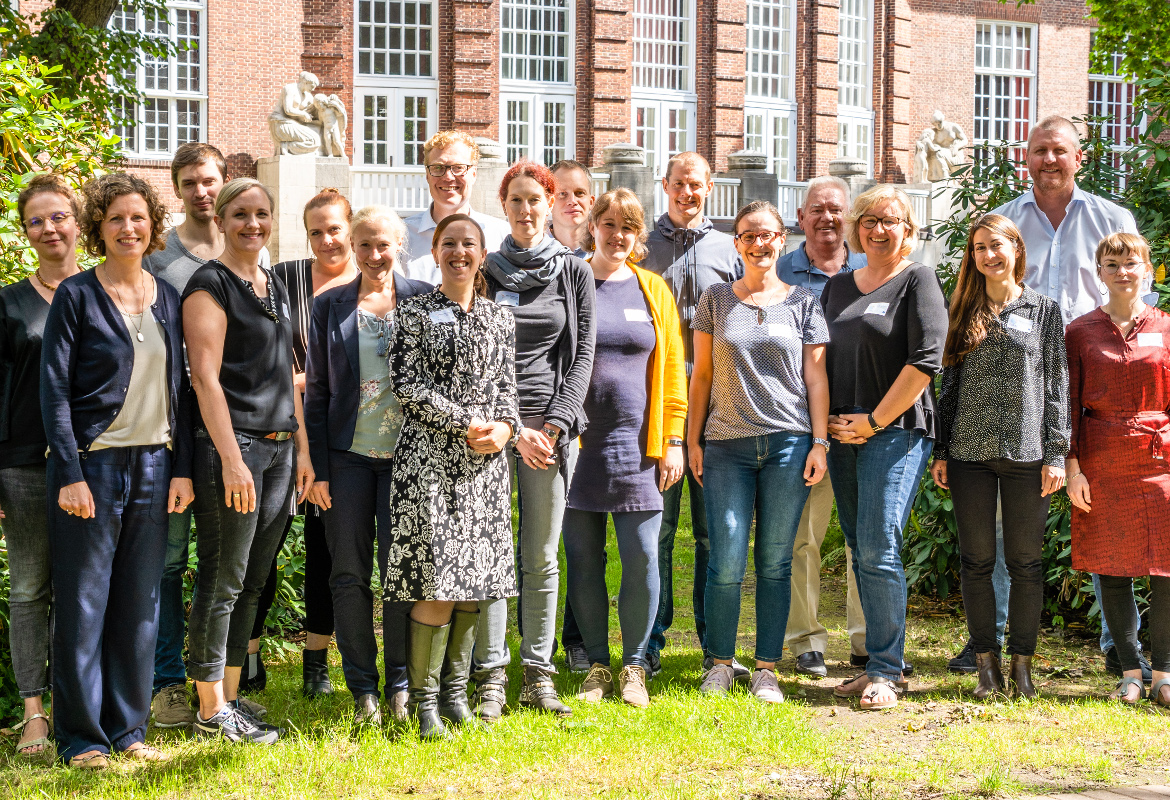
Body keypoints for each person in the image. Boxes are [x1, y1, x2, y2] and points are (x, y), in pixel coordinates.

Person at [972, 114, 1145, 680]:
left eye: (1060, 151)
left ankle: (1117, 643)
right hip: (1024, 380)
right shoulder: (1008, 220)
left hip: (1096, 376)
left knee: (1103, 506)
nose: (1049, 160)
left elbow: (1139, 293)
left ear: (1079, 156)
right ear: (1026, 156)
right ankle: (992, 636)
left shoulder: (1111, 219)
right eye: (1039, 150)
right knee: (1002, 519)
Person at [41, 173, 193, 767]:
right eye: (115, 220)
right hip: (92, 470)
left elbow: (179, 390)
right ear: (99, 230)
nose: (128, 228)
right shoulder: (76, 296)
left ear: (152, 224)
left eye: (138, 218)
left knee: (140, 602)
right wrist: (71, 473)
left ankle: (128, 731)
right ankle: (81, 737)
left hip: (154, 464)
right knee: (83, 604)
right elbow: (53, 393)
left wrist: (180, 470)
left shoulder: (170, 298)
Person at [182, 178, 314, 743]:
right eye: (240, 214)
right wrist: (232, 460)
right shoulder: (208, 285)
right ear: (221, 218)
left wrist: (303, 448)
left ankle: (231, 698)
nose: (252, 224)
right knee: (223, 578)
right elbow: (204, 380)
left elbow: (286, 373)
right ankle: (210, 710)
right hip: (236, 450)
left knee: (254, 579)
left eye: (261, 214)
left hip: (281, 451)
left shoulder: (272, 282)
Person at [385, 213, 520, 739]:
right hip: (431, 466)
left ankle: (455, 695)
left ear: (482, 255)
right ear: (435, 252)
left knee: (476, 585)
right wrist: (466, 422)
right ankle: (422, 706)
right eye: (449, 243)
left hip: (485, 467)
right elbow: (407, 384)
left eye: (469, 244)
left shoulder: (499, 317)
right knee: (438, 580)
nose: (459, 252)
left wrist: (505, 428)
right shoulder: (415, 311)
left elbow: (507, 386)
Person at [688, 200, 830, 702]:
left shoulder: (804, 303)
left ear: (782, 238)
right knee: (725, 556)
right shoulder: (715, 299)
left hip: (790, 444)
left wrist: (819, 442)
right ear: (737, 242)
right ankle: (721, 663)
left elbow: (815, 378)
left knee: (774, 559)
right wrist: (692, 439)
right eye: (749, 235)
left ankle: (767, 667)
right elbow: (701, 374)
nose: (759, 244)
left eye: (768, 235)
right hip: (726, 443)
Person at [473, 160, 596, 720]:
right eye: (516, 200)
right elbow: (476, 357)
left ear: (551, 206)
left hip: (550, 432)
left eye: (535, 200)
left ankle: (538, 675)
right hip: (494, 432)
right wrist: (510, 427)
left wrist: (554, 425)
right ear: (505, 207)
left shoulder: (573, 270)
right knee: (494, 554)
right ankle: (492, 676)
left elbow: (583, 354)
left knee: (541, 557)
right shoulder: (485, 270)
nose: (526, 210)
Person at [930, 214, 1068, 700]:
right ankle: (986, 664)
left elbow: (1057, 386)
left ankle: (1023, 666)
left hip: (1029, 455)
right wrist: (942, 449)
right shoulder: (962, 310)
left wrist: (1056, 452)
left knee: (1027, 562)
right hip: (969, 453)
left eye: (996, 245)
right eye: (979, 247)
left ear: (1016, 248)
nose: (988, 255)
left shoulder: (1045, 310)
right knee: (977, 561)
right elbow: (947, 387)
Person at [304, 205, 431, 724]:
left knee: (400, 574)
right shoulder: (330, 305)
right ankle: (363, 686)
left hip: (409, 459)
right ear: (351, 248)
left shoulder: (425, 300)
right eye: (364, 245)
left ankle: (400, 682)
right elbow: (316, 390)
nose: (375, 255)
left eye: (384, 244)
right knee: (348, 574)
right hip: (348, 458)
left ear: (400, 243)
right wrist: (317, 467)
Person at [823, 185, 947, 711]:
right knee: (860, 546)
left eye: (890, 221)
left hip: (893, 433)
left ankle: (885, 669)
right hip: (841, 435)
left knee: (878, 545)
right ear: (856, 228)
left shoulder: (917, 279)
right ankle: (878, 659)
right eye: (869, 220)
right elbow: (817, 359)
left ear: (908, 231)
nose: (878, 229)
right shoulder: (837, 286)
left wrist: (873, 422)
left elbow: (925, 361)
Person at [564, 189, 686, 707]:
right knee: (583, 560)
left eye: (629, 227)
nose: (618, 235)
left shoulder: (652, 289)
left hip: (640, 449)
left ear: (639, 236)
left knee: (642, 560)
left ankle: (634, 664)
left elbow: (675, 369)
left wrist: (675, 440)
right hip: (575, 447)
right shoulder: (569, 284)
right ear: (593, 225)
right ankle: (595, 664)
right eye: (609, 223)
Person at [243, 189, 359, 699]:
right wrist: (303, 380)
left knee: (325, 550)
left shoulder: (371, 284)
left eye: (334, 228)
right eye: (316, 231)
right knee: (261, 546)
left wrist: (305, 378)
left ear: (350, 228)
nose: (326, 240)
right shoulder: (285, 278)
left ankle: (316, 659)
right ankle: (247, 654)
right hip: (283, 431)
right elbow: (265, 353)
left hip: (341, 438)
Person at [641, 151, 743, 678]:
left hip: (717, 404)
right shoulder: (641, 246)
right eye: (679, 184)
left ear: (710, 188)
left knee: (712, 532)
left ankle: (713, 644)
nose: (688, 193)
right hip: (655, 403)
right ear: (665, 185)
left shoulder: (730, 248)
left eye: (697, 185)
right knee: (658, 529)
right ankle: (650, 643)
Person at [145, 141, 231, 729]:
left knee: (226, 558)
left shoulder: (247, 246)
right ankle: (167, 683)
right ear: (177, 189)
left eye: (211, 180)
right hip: (177, 426)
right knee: (170, 560)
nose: (203, 190)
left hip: (233, 429)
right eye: (192, 182)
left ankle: (221, 678)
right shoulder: (159, 261)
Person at [1065, 233, 1170, 705]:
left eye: (1132, 263)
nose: (1123, 271)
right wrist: (1072, 467)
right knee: (1112, 567)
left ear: (1148, 270)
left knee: (1166, 568)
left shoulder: (1167, 328)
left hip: (1161, 459)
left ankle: (1165, 672)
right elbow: (1065, 406)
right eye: (1113, 264)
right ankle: (1130, 669)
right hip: (1101, 459)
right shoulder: (1080, 331)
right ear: (1099, 272)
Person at [1, 175, 83, 759]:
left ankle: (80, 701)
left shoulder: (107, 291)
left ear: (78, 222)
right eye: (36, 221)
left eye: (58, 216)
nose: (49, 228)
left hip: (98, 466)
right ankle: (34, 711)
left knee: (86, 589)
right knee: (31, 587)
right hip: (26, 466)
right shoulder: (7, 304)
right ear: (26, 232)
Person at [775, 176, 869, 678]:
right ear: (800, 215)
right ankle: (805, 638)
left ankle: (865, 637)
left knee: (863, 537)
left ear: (848, 216)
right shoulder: (781, 270)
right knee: (803, 536)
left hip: (861, 424)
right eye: (818, 210)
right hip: (800, 424)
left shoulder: (869, 269)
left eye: (836, 210)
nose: (828, 218)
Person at [549, 157, 596, 671]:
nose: (572, 200)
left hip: (596, 415)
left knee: (580, 537)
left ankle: (578, 638)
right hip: (543, 419)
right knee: (543, 538)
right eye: (562, 192)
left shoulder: (602, 255)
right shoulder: (525, 260)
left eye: (580, 192)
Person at [400, 131, 510, 283]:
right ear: (427, 174)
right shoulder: (402, 237)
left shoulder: (501, 235)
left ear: (474, 174)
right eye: (438, 167)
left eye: (458, 167)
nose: (448, 177)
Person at [550, 159, 595, 258]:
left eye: (579, 193)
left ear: (591, 202)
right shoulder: (532, 252)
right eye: (562, 194)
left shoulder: (608, 252)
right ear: (549, 203)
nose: (572, 201)